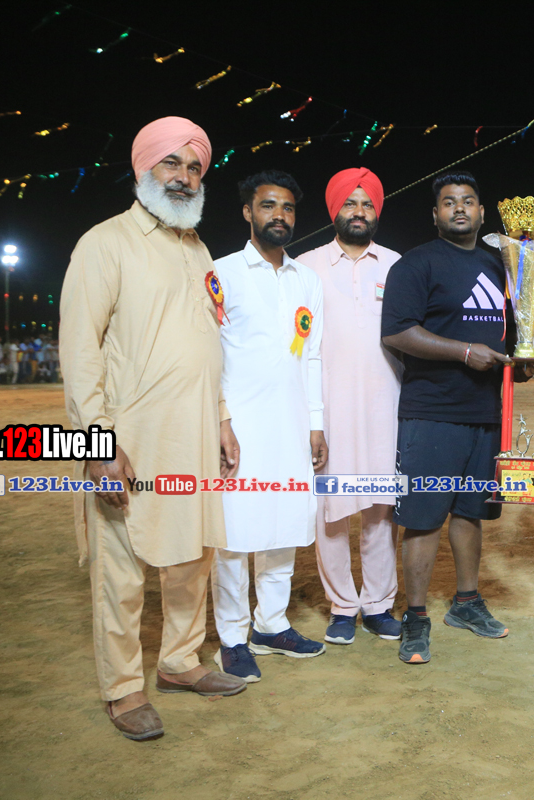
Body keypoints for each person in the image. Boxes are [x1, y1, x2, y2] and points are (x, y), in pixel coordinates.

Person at [60, 116, 247, 741]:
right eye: (172, 163)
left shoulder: (197, 249)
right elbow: (79, 351)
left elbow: (207, 343)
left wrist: (222, 418)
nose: (184, 176)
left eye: (194, 167)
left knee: (194, 552)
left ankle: (180, 662)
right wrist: (96, 445)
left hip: (195, 434)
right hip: (130, 441)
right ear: (143, 168)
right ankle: (122, 688)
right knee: (121, 567)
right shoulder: (105, 243)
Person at [381, 171, 513, 665]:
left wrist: (519, 361)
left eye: (469, 201)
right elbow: (397, 331)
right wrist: (463, 352)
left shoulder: (502, 265)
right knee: (422, 518)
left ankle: (466, 602)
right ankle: (416, 616)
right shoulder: (416, 263)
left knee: (471, 512)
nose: (460, 208)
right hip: (432, 411)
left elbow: (511, 328)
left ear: (482, 212)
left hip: (486, 411)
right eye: (449, 202)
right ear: (435, 214)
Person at [210, 170, 328, 683]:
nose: (279, 215)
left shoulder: (306, 280)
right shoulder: (221, 272)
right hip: (239, 428)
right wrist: (221, 420)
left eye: (288, 207)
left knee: (284, 523)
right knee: (235, 533)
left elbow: (312, 355)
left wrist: (315, 423)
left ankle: (271, 625)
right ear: (247, 212)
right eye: (267, 205)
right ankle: (233, 637)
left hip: (292, 425)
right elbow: (210, 354)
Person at [298, 168, 404, 645]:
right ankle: (342, 605)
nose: (359, 212)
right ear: (334, 210)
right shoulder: (307, 268)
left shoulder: (397, 265)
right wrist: (309, 416)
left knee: (381, 509)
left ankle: (378, 604)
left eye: (367, 204)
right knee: (332, 511)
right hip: (328, 410)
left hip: (386, 407)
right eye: (350, 203)